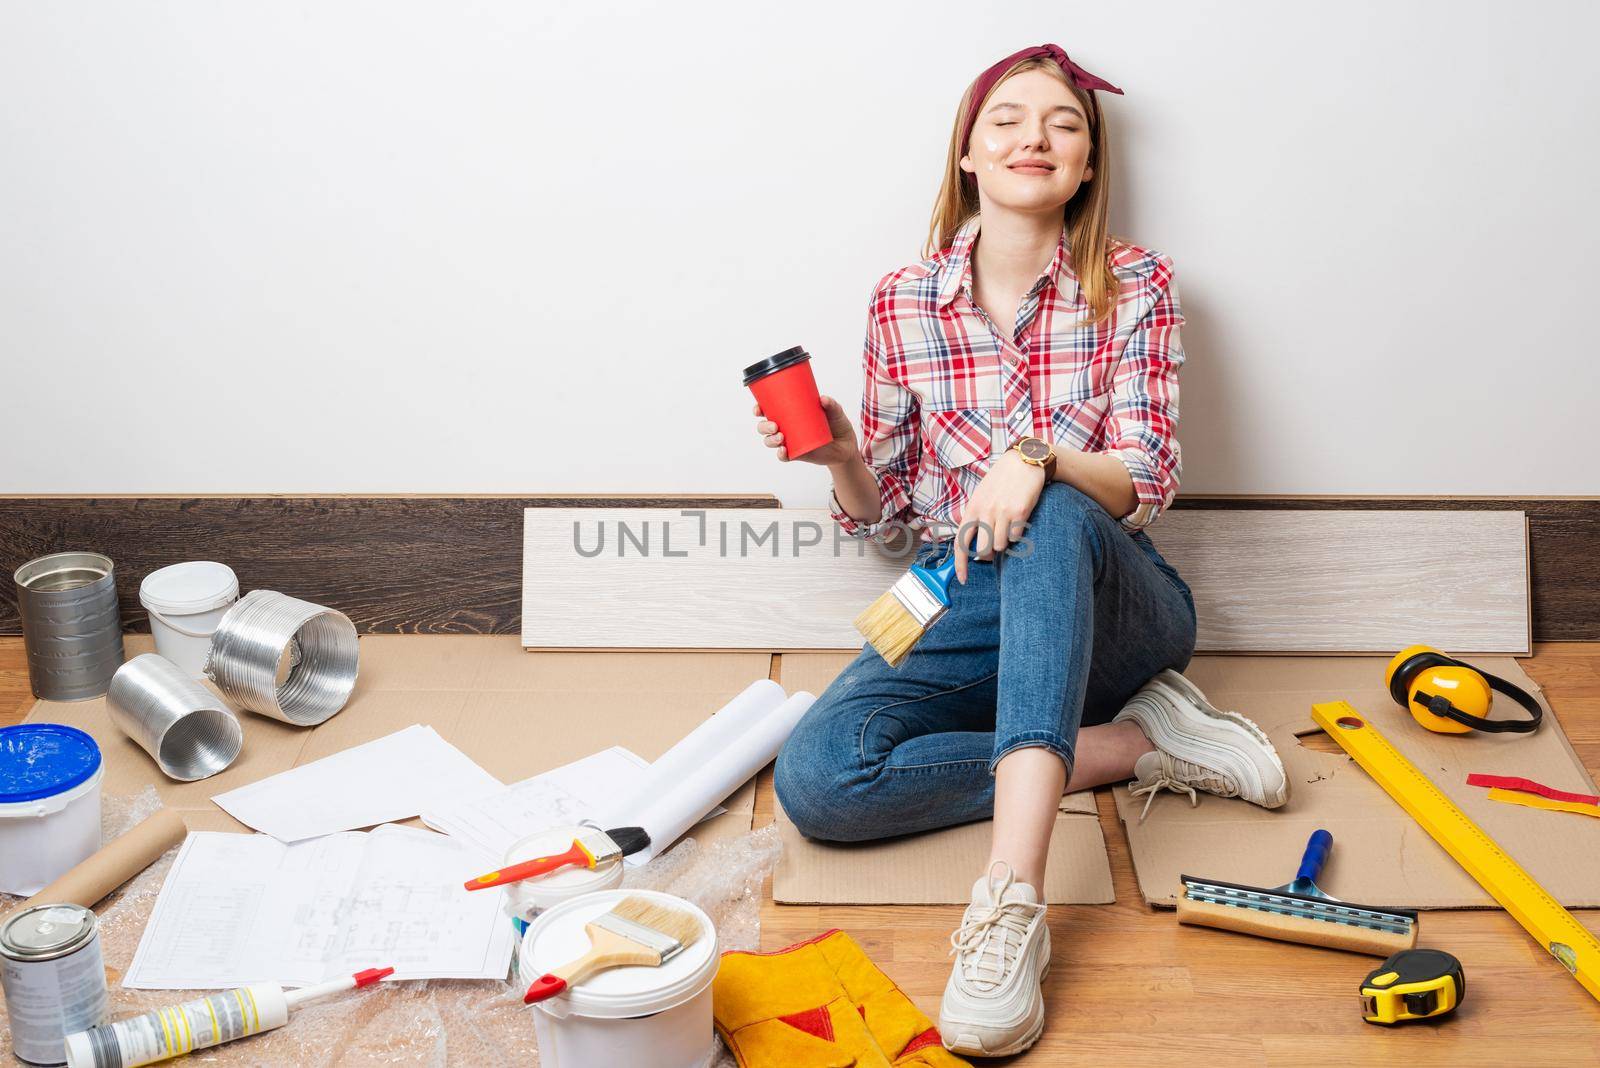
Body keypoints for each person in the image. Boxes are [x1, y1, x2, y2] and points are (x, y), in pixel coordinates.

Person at [753, 45, 1289, 1058]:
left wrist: (1035, 457)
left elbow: (1144, 481)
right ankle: (1147, 745)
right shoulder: (902, 302)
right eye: (1005, 119)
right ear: (966, 153)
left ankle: (1008, 902)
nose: (1032, 138)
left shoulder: (1136, 285)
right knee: (819, 780)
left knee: (1049, 511)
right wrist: (836, 459)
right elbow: (896, 527)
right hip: (966, 600)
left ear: (1087, 165)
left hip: (1124, 609)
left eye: (1063, 124)